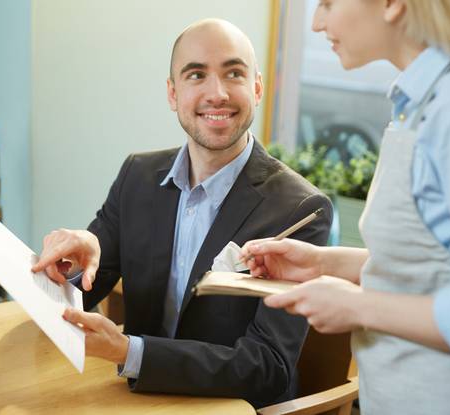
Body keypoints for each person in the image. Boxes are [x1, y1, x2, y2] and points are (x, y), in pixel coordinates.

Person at [31, 19, 332, 408]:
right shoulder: (136, 175)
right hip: (135, 399)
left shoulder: (301, 210)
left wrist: (128, 352)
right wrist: (65, 270)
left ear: (256, 88)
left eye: (234, 73)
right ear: (173, 93)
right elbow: (81, 295)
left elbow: (268, 367)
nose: (217, 93)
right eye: (196, 75)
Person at [240, 0, 450, 414]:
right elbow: (435, 268)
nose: (317, 22)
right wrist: (323, 264)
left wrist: (357, 306)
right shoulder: (422, 102)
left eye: (327, 2)